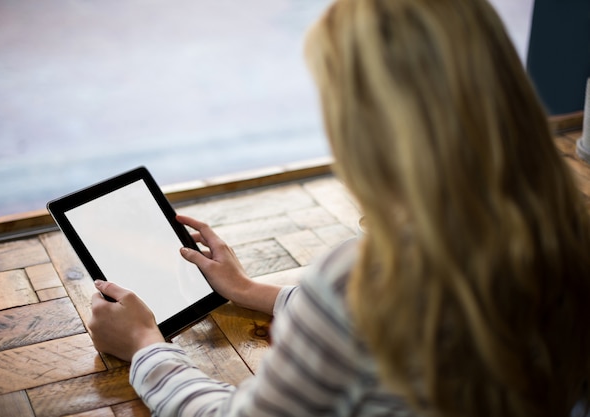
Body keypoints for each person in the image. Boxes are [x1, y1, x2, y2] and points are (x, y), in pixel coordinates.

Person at [88, 0, 590, 416]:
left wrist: (145, 348)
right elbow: (373, 331)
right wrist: (249, 290)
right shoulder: (564, 223)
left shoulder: (368, 278)